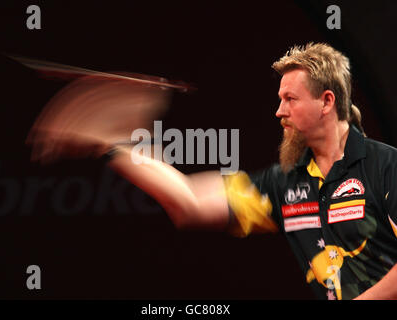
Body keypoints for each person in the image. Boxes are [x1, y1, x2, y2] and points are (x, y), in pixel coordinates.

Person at [29, 43, 397, 300]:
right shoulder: (286, 184)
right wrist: (115, 147)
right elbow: (189, 202)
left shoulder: (384, 167)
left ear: (327, 102)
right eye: (279, 99)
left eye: (290, 99)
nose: (278, 112)